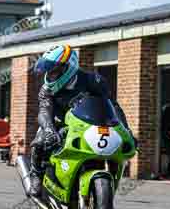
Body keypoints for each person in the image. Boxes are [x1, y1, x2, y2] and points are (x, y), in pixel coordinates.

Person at [26, 44, 135, 197]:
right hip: (58, 122)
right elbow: (44, 111)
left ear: (69, 67)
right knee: (38, 143)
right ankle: (35, 175)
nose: (50, 75)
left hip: (86, 124)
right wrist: (49, 129)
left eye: (54, 70)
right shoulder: (47, 89)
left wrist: (125, 129)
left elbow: (112, 105)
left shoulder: (93, 81)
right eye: (48, 71)